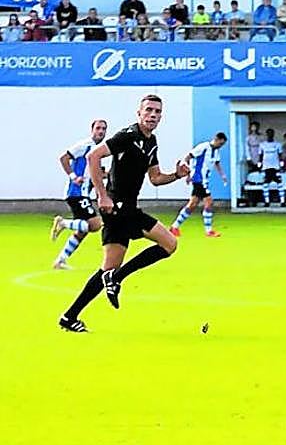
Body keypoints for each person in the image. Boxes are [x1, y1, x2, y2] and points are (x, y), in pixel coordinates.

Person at [58, 96, 189, 333]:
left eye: (157, 111)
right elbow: (93, 156)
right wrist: (102, 195)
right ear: (139, 113)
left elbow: (156, 178)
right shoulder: (127, 135)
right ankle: (116, 279)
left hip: (127, 208)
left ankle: (69, 317)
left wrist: (177, 175)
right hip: (117, 208)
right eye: (148, 110)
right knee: (169, 243)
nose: (153, 115)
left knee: (107, 269)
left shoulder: (152, 142)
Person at [50, 119, 108, 270]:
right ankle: (62, 222)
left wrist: (109, 175)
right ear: (92, 129)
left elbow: (96, 173)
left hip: (85, 194)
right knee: (95, 225)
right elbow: (64, 158)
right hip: (76, 193)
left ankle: (60, 261)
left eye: (103, 129)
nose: (101, 131)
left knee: (82, 231)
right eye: (98, 128)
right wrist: (73, 176)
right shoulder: (84, 146)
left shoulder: (98, 150)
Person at [169, 132, 229, 238]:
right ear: (216, 139)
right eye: (220, 143)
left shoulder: (216, 151)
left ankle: (174, 227)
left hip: (203, 180)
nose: (221, 146)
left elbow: (217, 163)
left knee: (192, 205)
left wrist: (222, 175)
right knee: (209, 202)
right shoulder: (203, 147)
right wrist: (186, 169)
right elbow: (189, 156)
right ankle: (209, 231)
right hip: (199, 179)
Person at [258, 128, 285, 207]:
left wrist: (281, 166)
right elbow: (261, 156)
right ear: (266, 135)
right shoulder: (262, 145)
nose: (270, 135)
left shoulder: (277, 144)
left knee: (280, 184)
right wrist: (259, 166)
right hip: (266, 167)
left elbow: (280, 155)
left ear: (273, 134)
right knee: (265, 184)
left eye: (271, 133)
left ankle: (282, 201)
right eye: (268, 133)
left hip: (275, 167)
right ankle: (267, 202)